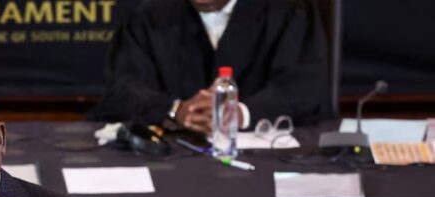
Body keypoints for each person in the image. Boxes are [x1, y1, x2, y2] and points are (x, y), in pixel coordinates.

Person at [89, 0, 331, 134]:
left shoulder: (289, 10)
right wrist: (177, 110)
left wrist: (241, 113)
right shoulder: (150, 17)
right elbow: (121, 91)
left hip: (269, 153)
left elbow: (304, 87)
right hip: (174, 159)